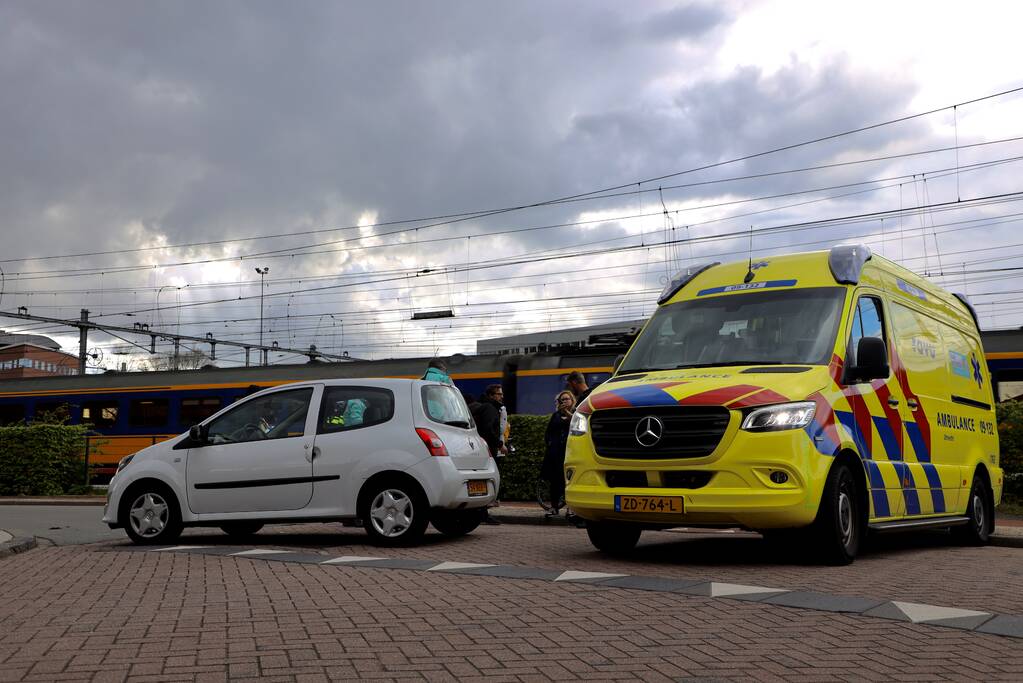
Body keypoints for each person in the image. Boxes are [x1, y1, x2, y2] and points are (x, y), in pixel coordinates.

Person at [475, 384, 505, 525]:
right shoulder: (490, 409)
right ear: (492, 396)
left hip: (482, 450)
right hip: (487, 451)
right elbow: (488, 430)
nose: (501, 396)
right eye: (499, 394)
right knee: (486, 481)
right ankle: (483, 514)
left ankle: (482, 513)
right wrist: (500, 445)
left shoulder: (485, 407)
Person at [541, 391, 575, 516]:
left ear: (572, 400)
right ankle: (554, 507)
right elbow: (548, 432)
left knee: (569, 481)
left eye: (567, 399)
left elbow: (575, 423)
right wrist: (550, 443)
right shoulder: (555, 415)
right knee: (555, 481)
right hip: (555, 454)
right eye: (562, 400)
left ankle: (570, 508)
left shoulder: (576, 414)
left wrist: (567, 412)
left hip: (570, 453)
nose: (564, 401)